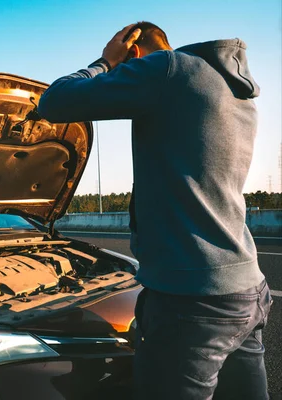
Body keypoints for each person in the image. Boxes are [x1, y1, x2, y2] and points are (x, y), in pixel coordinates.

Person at [38, 22, 272, 399]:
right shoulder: (234, 91)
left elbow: (54, 101)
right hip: (247, 289)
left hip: (192, 302)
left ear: (132, 52)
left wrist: (105, 62)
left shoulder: (167, 69)